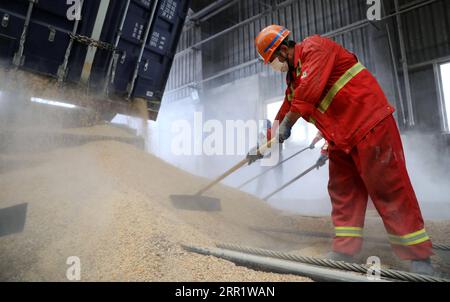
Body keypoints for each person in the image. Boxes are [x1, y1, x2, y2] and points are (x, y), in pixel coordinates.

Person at [253, 24, 435, 275]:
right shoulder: (293, 79)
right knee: (342, 193)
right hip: (341, 140)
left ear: (283, 49)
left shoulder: (314, 48)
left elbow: (308, 93)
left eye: (272, 59)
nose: (274, 65)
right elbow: (287, 107)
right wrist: (264, 145)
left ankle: (419, 258)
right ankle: (345, 250)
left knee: (389, 188)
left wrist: (288, 125)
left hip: (369, 124)